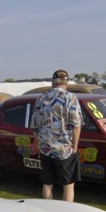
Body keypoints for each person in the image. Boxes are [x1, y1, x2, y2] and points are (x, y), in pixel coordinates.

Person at [29, 69, 83, 202]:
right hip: (65, 148)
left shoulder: (41, 98)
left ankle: (48, 211)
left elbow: (34, 127)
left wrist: (41, 142)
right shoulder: (71, 98)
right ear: (67, 82)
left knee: (47, 184)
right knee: (68, 185)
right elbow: (76, 125)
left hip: (46, 148)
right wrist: (75, 147)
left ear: (53, 82)